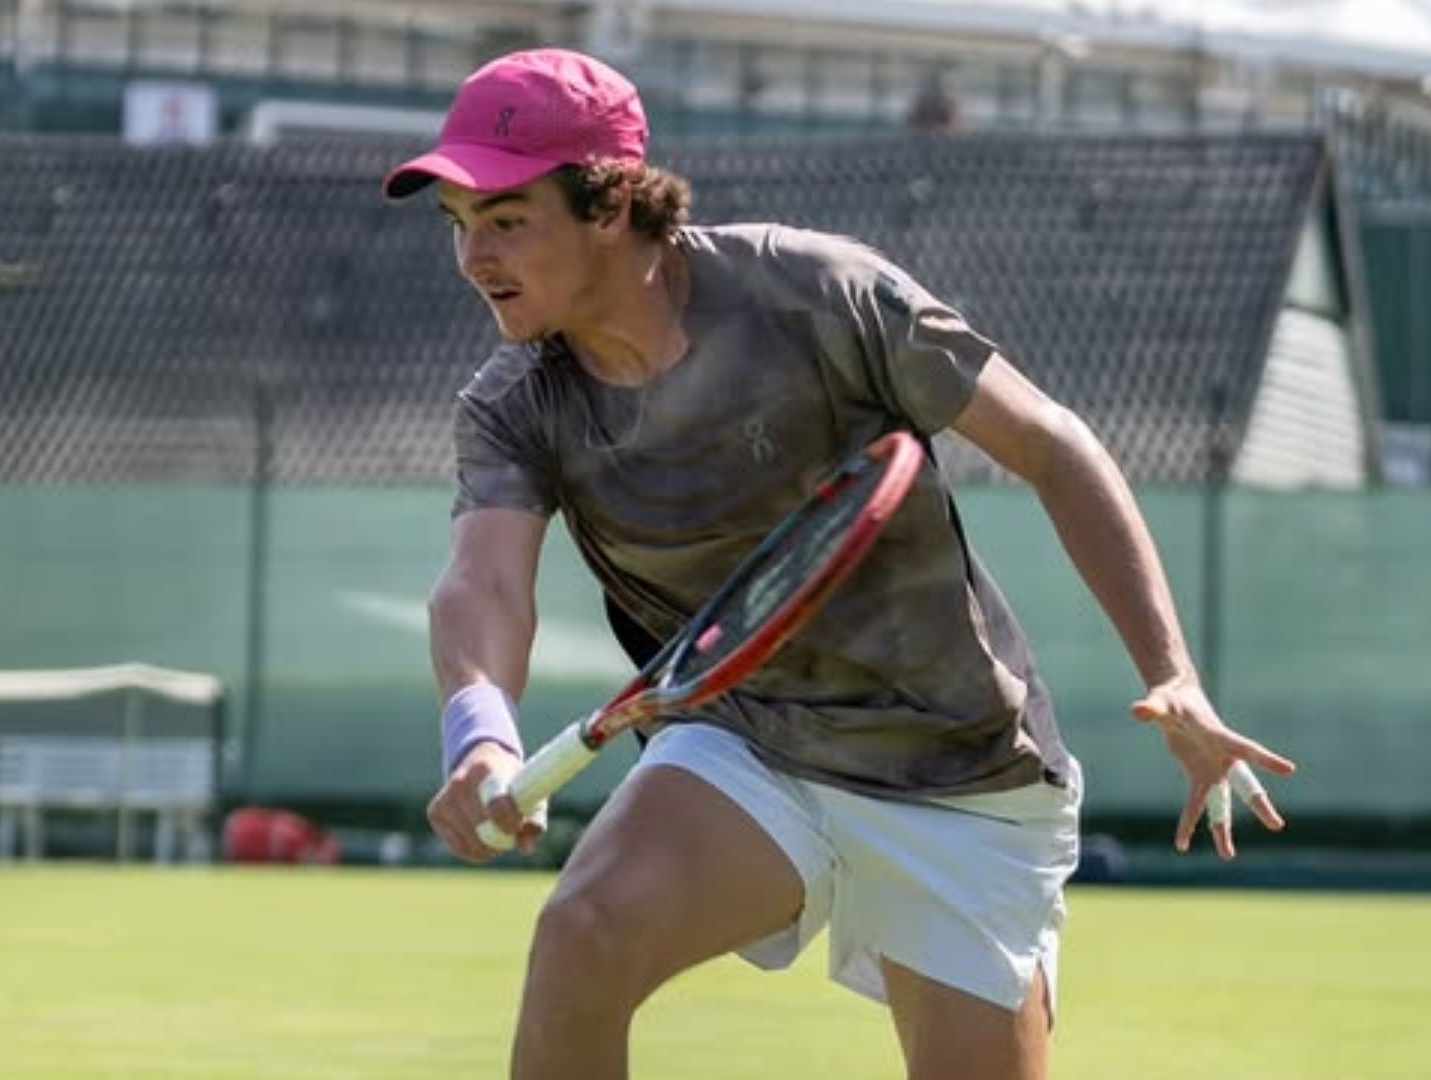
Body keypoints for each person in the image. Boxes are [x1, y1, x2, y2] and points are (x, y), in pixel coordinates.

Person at [386, 47, 1296, 1080]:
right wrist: (479, 736)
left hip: (958, 771)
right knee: (581, 935)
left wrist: (1171, 672)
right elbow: (484, 583)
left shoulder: (822, 295)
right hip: (746, 740)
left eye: (506, 220)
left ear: (610, 204)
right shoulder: (515, 403)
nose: (474, 259)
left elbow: (1052, 444)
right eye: (459, 226)